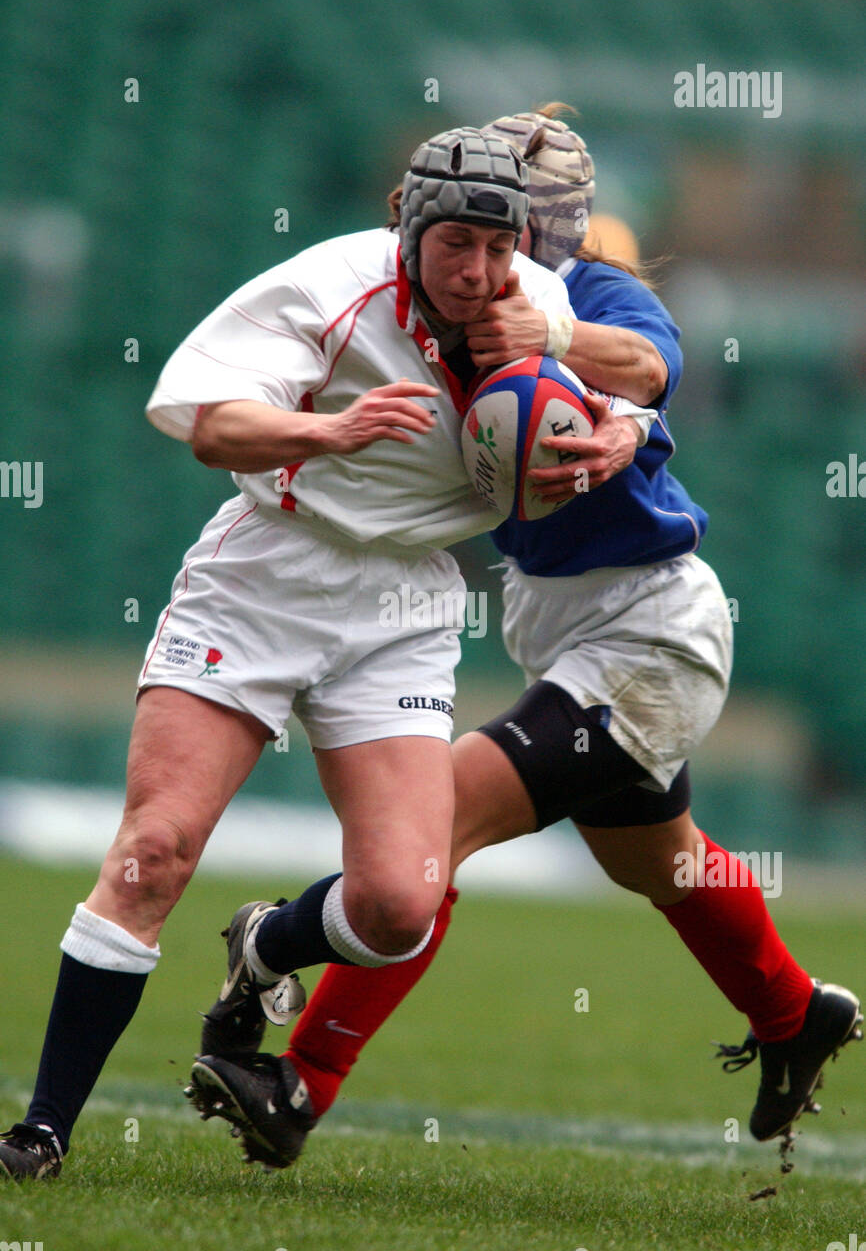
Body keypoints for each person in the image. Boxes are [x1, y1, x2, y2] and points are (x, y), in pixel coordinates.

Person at [185, 108, 861, 1171]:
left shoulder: (587, 293)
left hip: (648, 635)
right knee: (663, 863)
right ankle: (792, 1013)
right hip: (567, 632)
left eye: (524, 219)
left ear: (560, 225)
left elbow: (643, 368)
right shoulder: (429, 305)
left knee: (432, 824)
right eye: (476, 220)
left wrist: (588, 380)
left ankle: (294, 1067)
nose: (502, 244)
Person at [1, 125, 648, 1182]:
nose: (478, 272)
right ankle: (41, 1130)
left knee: (397, 907)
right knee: (153, 850)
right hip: (266, 573)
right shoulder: (328, 282)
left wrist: (614, 419)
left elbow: (645, 370)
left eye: (497, 248)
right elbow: (213, 426)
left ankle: (263, 949)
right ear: (405, 221)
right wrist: (325, 433)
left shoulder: (531, 300)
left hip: (403, 600)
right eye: (455, 246)